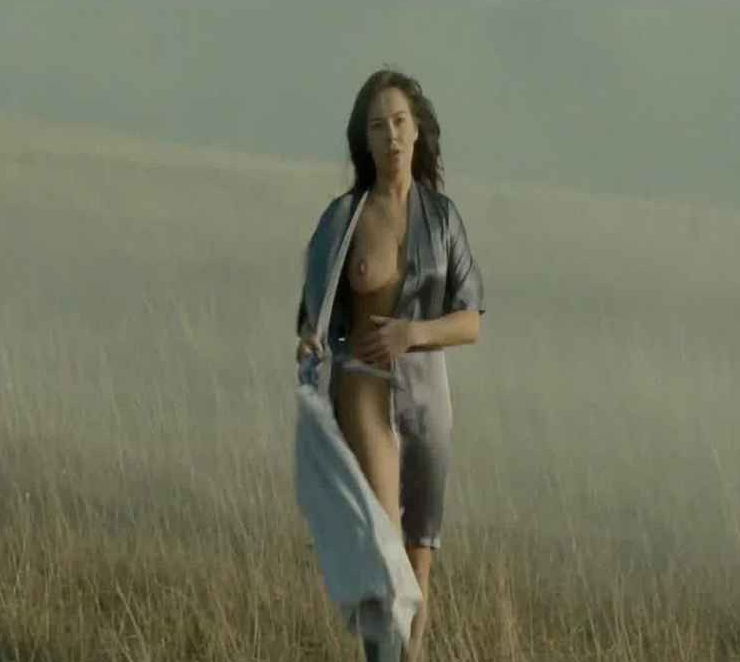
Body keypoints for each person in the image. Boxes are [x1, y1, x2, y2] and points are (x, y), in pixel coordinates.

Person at [295, 68, 485, 661]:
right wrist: (309, 344)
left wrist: (414, 333)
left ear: (418, 130)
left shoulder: (444, 217)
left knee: (420, 551)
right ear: (366, 140)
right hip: (363, 386)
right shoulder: (343, 217)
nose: (392, 136)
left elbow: (471, 321)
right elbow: (311, 315)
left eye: (400, 122)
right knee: (384, 550)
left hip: (427, 391)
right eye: (378, 126)